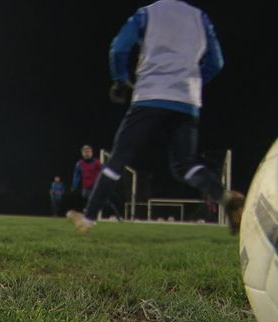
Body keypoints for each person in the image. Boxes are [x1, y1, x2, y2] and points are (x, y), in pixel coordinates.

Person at [67, 0, 244, 234]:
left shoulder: (148, 13)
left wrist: (120, 79)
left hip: (151, 95)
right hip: (187, 101)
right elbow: (216, 62)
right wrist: (192, 83)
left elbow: (119, 47)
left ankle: (88, 219)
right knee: (185, 166)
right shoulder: (200, 17)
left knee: (118, 158)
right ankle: (225, 196)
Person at [72, 145, 123, 221]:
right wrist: (74, 185)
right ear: (82, 153)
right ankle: (89, 217)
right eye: (85, 152)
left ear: (91, 153)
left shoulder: (96, 162)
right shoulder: (79, 164)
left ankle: (118, 216)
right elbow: (77, 176)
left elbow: (104, 170)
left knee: (106, 202)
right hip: (86, 188)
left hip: (96, 187)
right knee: (87, 200)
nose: (87, 153)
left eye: (88, 152)